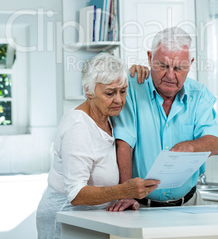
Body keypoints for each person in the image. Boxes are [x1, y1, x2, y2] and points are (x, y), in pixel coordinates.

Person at [36, 53, 159, 239]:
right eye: (110, 93)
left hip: (92, 218)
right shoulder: (78, 127)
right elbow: (76, 194)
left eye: (123, 91)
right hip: (64, 220)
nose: (119, 100)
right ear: (88, 90)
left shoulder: (108, 116)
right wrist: (125, 190)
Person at [108, 27, 218, 212]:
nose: (170, 75)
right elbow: (124, 144)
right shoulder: (131, 90)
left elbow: (214, 144)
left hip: (190, 205)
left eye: (179, 68)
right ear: (150, 58)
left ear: (190, 64)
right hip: (140, 206)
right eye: (162, 65)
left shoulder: (200, 95)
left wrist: (191, 146)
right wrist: (126, 193)